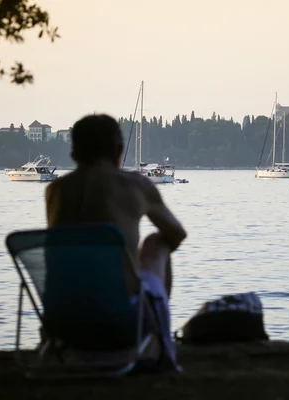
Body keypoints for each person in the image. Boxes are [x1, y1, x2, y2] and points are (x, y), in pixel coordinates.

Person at [44, 114, 186, 367]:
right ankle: (157, 343)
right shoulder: (135, 185)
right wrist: (136, 265)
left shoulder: (55, 190)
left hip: (62, 323)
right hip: (121, 323)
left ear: (74, 154)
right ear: (119, 151)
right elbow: (177, 233)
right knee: (157, 241)